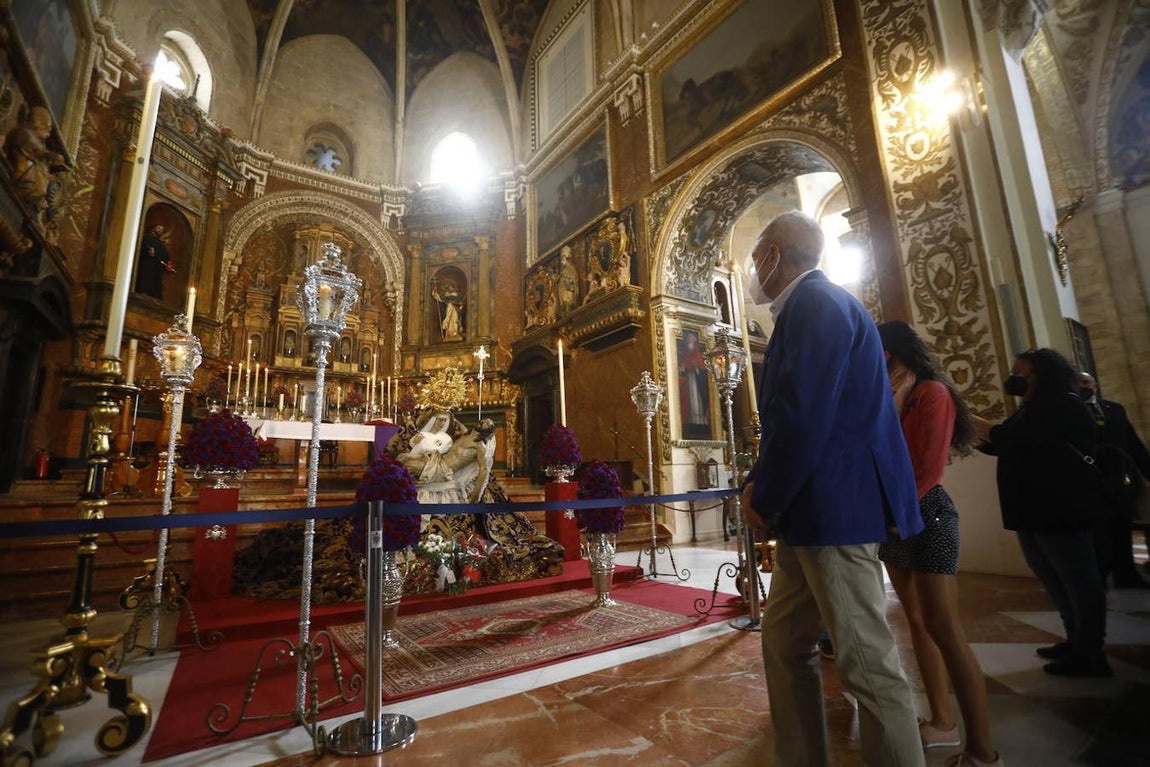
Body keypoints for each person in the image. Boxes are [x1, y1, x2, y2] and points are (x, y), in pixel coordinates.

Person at [739, 211, 925, 767]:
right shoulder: (808, 307)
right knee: (784, 642)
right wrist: (763, 486)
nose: (753, 266)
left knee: (867, 664)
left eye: (757, 255)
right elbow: (794, 417)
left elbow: (803, 416)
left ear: (775, 254)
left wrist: (763, 495)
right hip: (811, 512)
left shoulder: (816, 304)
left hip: (832, 511)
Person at [877, 321, 1001, 767]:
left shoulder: (932, 392)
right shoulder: (889, 395)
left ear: (887, 353)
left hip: (925, 513)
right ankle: (943, 723)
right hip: (893, 516)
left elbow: (927, 468)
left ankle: (983, 751)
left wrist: (896, 514)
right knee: (916, 621)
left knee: (944, 627)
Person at [973, 349, 1109, 678]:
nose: (1014, 378)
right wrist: (975, 437)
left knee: (1077, 579)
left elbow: (1016, 438)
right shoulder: (1031, 407)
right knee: (1052, 576)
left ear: (1043, 374)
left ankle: (1090, 652)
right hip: (1032, 507)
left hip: (1060, 506)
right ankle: (1074, 638)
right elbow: (1008, 444)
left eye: (1021, 372)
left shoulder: (1063, 404)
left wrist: (975, 422)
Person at [1077, 371, 1150, 589]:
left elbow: (1132, 442)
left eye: (1086, 382)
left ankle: (1126, 574)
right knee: (1098, 533)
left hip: (1120, 477)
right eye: (1078, 383)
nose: (1083, 386)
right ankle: (1100, 578)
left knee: (1122, 526)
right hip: (1091, 479)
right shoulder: (1072, 411)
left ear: (1095, 386)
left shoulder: (1114, 409)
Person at [134, 224, 174, 300]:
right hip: (147, 265)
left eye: (161, 230)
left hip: (157, 268)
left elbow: (165, 256)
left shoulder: (160, 243)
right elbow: (142, 249)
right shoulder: (147, 238)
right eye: (159, 228)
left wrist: (168, 264)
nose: (160, 230)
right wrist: (148, 250)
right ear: (154, 228)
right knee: (145, 281)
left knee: (154, 285)